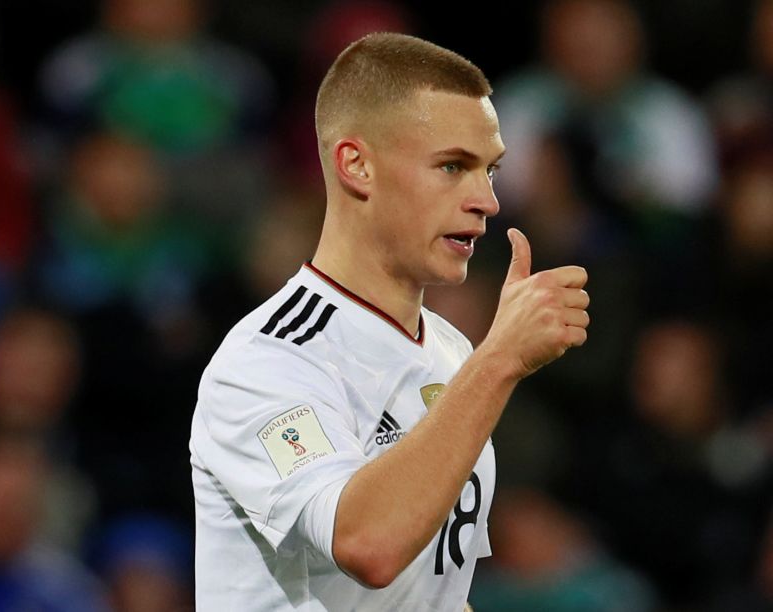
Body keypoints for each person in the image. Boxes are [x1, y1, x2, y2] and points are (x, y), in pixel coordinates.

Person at [189, 32, 590, 611]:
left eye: (490, 170)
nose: (487, 200)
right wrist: (500, 359)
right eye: (452, 165)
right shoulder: (267, 361)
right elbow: (368, 545)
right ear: (357, 166)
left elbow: (432, 593)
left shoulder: (451, 351)